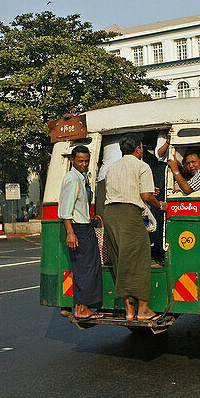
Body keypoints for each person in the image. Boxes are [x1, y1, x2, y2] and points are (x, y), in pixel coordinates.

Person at [103, 134, 165, 321]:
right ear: (138, 149)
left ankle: (129, 310)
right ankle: (143, 310)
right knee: (140, 257)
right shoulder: (142, 166)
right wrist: (160, 204)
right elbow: (146, 196)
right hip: (129, 215)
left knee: (121, 260)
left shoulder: (112, 168)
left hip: (110, 214)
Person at [58, 145, 103, 320]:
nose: (84, 164)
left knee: (84, 268)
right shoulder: (73, 179)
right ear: (72, 160)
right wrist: (70, 233)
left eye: (86, 161)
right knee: (86, 268)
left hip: (84, 227)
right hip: (79, 229)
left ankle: (81, 307)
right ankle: (82, 309)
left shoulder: (81, 177)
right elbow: (65, 210)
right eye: (80, 161)